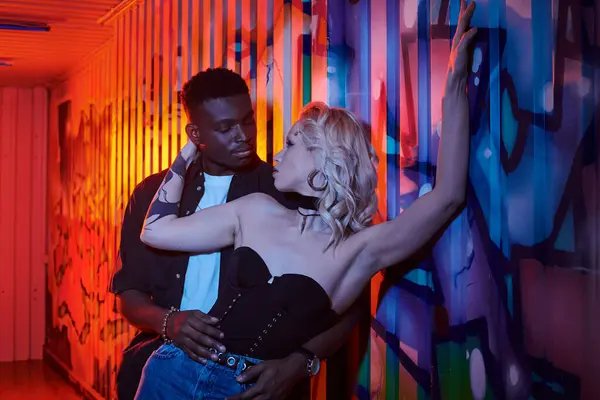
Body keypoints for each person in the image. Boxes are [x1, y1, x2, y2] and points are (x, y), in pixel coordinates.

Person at [134, 2, 477, 398]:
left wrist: (455, 82)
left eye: (291, 144)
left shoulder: (359, 249)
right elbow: (156, 231)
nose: (277, 154)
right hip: (172, 373)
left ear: (321, 159)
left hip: (245, 391)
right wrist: (188, 152)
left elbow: (448, 196)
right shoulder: (257, 210)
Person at [109, 68, 364, 400]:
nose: (243, 135)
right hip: (160, 370)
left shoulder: (286, 194)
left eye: (247, 120)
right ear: (195, 133)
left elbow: (349, 304)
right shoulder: (152, 197)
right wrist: (169, 322)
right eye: (225, 128)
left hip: (251, 385)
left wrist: (300, 363)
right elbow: (129, 295)